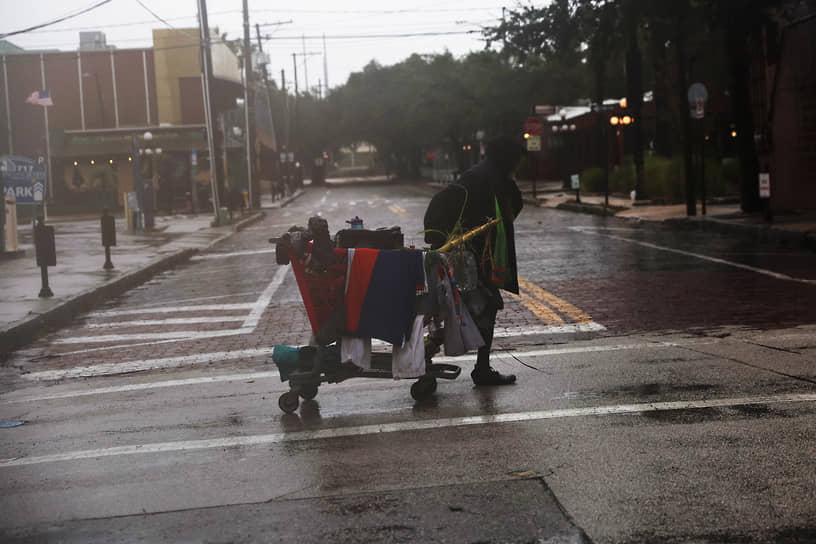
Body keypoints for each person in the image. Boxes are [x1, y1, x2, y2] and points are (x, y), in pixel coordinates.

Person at [424, 135, 524, 386]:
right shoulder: (491, 178)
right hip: (472, 258)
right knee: (482, 307)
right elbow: (512, 208)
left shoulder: (484, 174)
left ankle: (432, 357)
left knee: (461, 308)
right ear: (508, 158)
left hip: (470, 255)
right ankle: (478, 368)